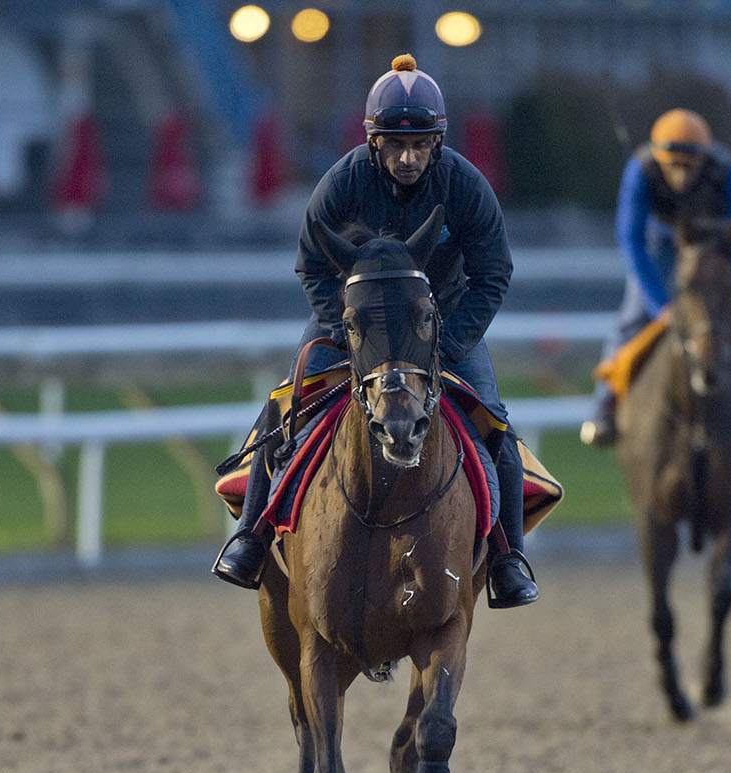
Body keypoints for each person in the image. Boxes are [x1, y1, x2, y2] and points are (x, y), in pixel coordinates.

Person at [213, 53, 539, 609]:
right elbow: (311, 265)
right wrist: (347, 330)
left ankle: (508, 559)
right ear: (373, 142)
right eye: (394, 145)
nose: (407, 157)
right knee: (283, 408)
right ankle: (251, 537)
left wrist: (451, 340)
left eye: (419, 145)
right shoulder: (341, 183)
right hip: (356, 322)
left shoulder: (464, 186)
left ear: (437, 142)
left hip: (439, 325)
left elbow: (494, 273)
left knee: (495, 429)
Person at [581, 108, 731, 459]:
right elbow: (631, 242)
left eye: (690, 165)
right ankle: (603, 408)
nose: (682, 175)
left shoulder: (727, 172)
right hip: (659, 248)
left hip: (712, 247)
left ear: (704, 160)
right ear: (659, 158)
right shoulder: (640, 171)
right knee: (631, 322)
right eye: (674, 165)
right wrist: (660, 306)